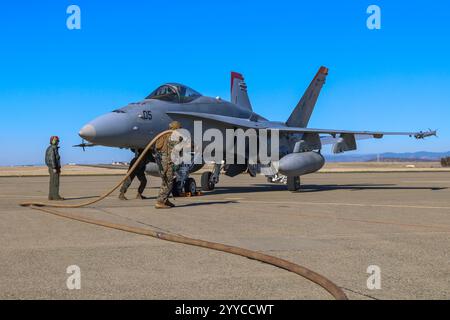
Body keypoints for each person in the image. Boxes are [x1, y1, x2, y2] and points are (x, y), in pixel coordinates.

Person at [153, 121, 182, 209]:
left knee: (166, 181)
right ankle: (160, 201)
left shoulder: (163, 136)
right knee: (168, 183)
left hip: (161, 162)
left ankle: (165, 200)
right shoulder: (174, 137)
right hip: (168, 163)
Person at [45, 136, 64, 201]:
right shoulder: (53, 148)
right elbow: (52, 158)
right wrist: (54, 167)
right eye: (57, 141)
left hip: (52, 167)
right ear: (54, 141)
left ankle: (51, 196)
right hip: (54, 168)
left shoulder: (50, 148)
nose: (58, 142)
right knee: (55, 182)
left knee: (52, 182)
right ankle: (56, 196)